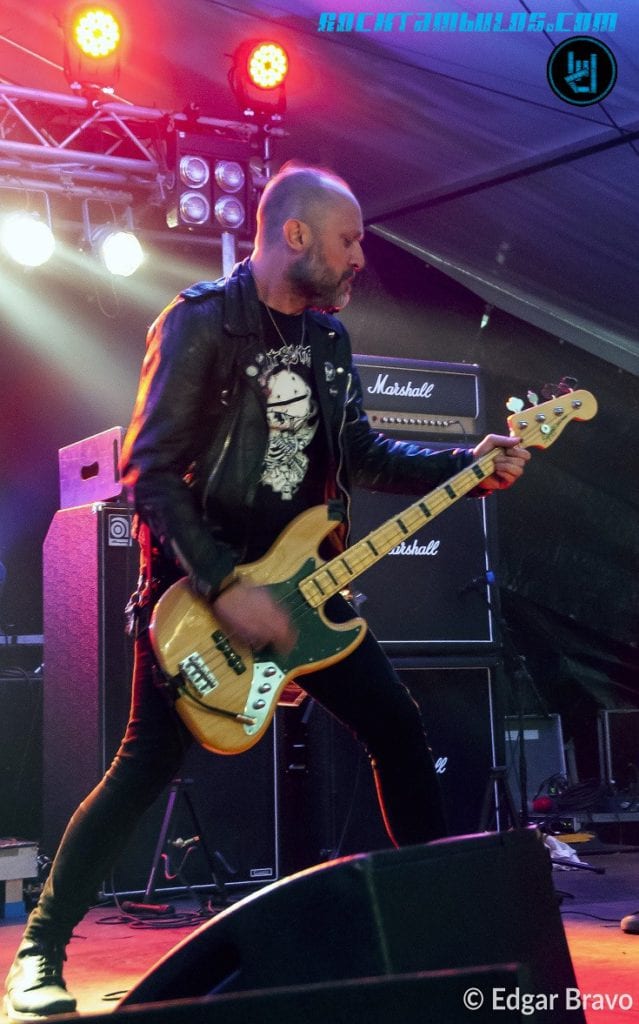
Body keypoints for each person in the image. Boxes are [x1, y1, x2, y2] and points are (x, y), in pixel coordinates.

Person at [3, 162, 530, 1021]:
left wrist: (462, 466)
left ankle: (437, 928)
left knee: (396, 729)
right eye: (348, 239)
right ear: (296, 234)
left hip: (305, 590)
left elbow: (362, 453)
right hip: (197, 595)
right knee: (143, 768)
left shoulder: (327, 340)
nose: (359, 257)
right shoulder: (201, 322)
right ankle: (39, 950)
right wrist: (220, 586)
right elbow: (148, 472)